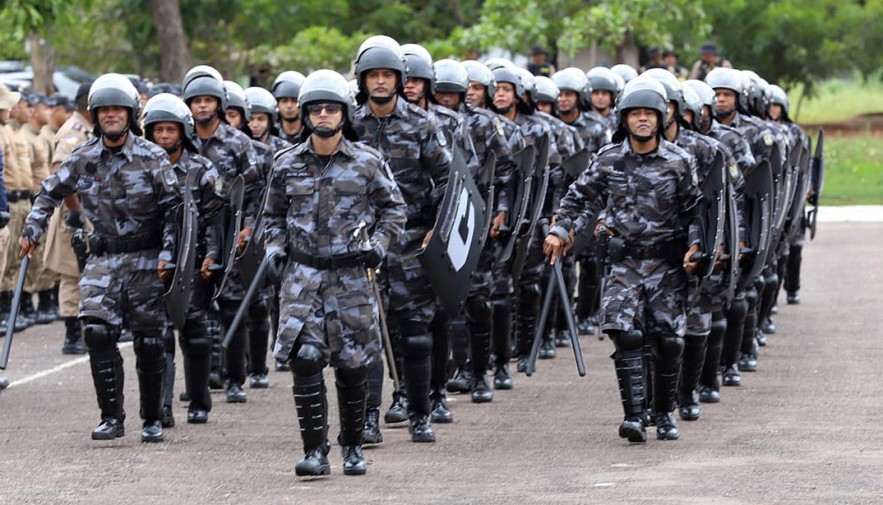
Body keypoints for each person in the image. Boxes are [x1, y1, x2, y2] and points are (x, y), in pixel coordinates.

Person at [20, 73, 180, 443]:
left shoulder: (152, 157)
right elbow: (48, 192)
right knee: (96, 331)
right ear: (94, 114)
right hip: (103, 258)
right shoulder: (83, 158)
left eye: (117, 110)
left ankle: (153, 418)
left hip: (146, 258)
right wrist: (33, 229)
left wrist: (170, 255)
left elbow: (175, 212)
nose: (111, 116)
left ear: (129, 114)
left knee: (150, 340)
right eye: (104, 110)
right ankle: (111, 417)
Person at [263, 69, 407, 476]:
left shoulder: (366, 162)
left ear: (344, 113)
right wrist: (274, 250)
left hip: (350, 279)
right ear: (305, 114)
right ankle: (314, 451)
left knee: (353, 364)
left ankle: (353, 447)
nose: (323, 115)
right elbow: (271, 217)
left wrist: (380, 245)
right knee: (306, 358)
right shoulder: (286, 164)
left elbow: (394, 209)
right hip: (303, 279)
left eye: (330, 108)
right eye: (315, 109)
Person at [544, 77, 703, 442]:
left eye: (650, 114)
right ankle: (634, 415)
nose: (643, 120)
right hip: (624, 264)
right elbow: (578, 197)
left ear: (661, 118)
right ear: (624, 119)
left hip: (666, 265)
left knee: (668, 341)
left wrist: (697, 249)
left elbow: (697, 213)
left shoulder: (679, 162)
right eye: (636, 114)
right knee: (625, 334)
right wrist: (561, 229)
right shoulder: (609, 158)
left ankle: (664, 413)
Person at [351, 35, 451, 444]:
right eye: (372, 75)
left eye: (387, 75)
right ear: (362, 80)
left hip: (411, 243)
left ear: (400, 79)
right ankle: (369, 418)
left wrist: (438, 228)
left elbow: (447, 178)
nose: (380, 82)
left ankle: (418, 412)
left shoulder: (422, 124)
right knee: (369, 337)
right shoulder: (350, 124)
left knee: (415, 333)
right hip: (362, 246)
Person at [141, 93, 225, 425]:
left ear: (182, 132)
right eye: (158, 130)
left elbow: (217, 217)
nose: (164, 137)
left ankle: (199, 400)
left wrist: (214, 255)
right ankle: (161, 406)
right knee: (157, 335)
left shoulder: (202, 170)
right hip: (152, 262)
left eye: (170, 130)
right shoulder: (141, 167)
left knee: (196, 333)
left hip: (193, 260)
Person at [182, 65, 262, 403]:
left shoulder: (238, 142)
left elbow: (259, 189)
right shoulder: (180, 140)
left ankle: (234, 379)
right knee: (192, 310)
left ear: (219, 103)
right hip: (189, 233)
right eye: (196, 101)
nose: (202, 106)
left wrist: (249, 228)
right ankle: (200, 379)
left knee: (231, 306)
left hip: (229, 231)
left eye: (207, 100)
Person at [44, 81, 93, 355]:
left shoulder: (86, 129)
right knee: (72, 275)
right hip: (72, 215)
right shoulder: (73, 132)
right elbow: (60, 173)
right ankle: (72, 337)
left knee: (83, 273)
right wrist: (76, 210)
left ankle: (82, 332)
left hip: (84, 211)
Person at [272, 71, 306, 145]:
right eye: (284, 101)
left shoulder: (311, 133)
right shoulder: (270, 132)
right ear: (277, 103)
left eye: (294, 101)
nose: (289, 106)